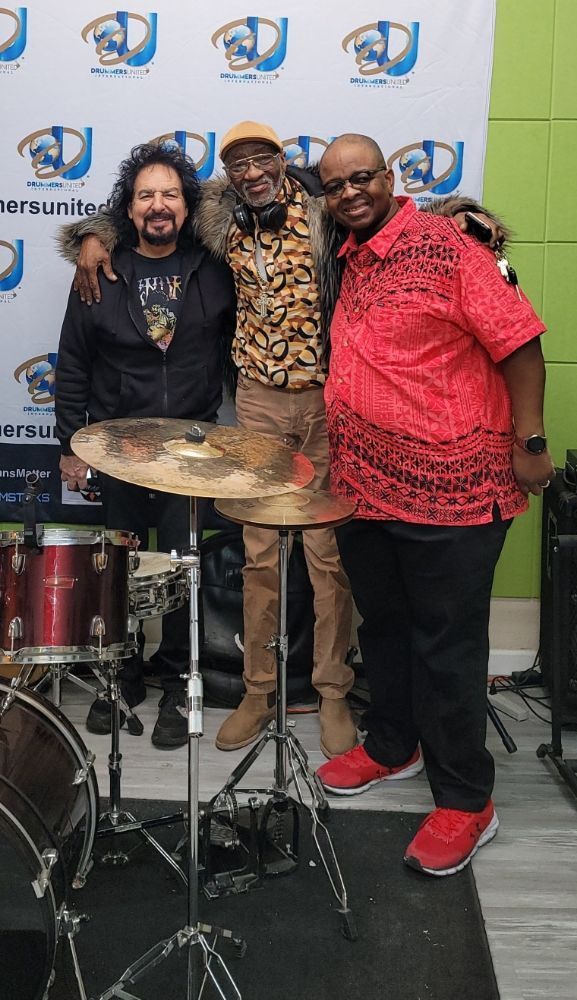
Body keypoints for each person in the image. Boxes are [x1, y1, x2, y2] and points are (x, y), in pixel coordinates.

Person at [59, 121, 505, 760]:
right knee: (259, 555)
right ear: (228, 176)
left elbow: (391, 212)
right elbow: (143, 209)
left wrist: (464, 217)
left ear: (282, 161)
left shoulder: (326, 211)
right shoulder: (223, 224)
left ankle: (330, 692)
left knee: (328, 556)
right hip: (259, 403)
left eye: (262, 158)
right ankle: (257, 689)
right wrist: (92, 240)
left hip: (330, 400)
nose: (251, 172)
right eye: (237, 163)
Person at [314, 133, 555, 876]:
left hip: (454, 494)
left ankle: (464, 801)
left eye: (362, 178)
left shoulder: (448, 248)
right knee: (384, 629)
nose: (350, 192)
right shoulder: (349, 257)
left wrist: (531, 439)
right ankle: (393, 745)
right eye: (336, 184)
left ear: (389, 178)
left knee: (446, 650)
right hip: (366, 489)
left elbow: (519, 344)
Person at [55, 142, 236, 749]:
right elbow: (74, 365)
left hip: (191, 450)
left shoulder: (216, 266)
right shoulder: (99, 271)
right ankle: (123, 674)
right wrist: (69, 446)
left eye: (170, 194)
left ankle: (181, 680)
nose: (158, 206)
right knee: (123, 566)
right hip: (118, 448)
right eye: (145, 196)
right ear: (127, 210)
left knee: (185, 568)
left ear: (189, 205)